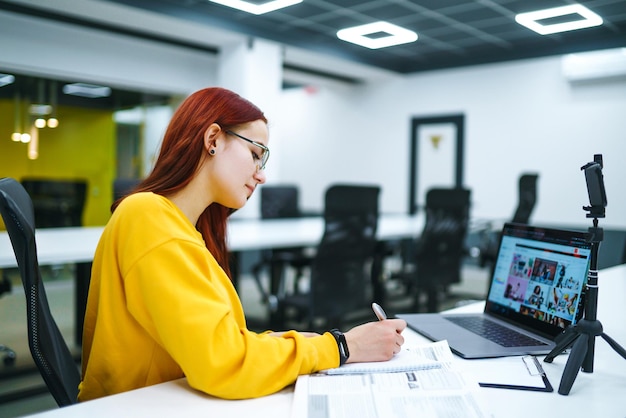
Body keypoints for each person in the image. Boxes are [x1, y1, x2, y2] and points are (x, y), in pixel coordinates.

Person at [78, 87, 406, 402]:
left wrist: (305, 345)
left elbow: (216, 341)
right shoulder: (147, 216)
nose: (261, 175)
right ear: (213, 140)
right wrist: (343, 347)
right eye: (255, 155)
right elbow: (223, 362)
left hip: (171, 397)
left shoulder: (181, 228)